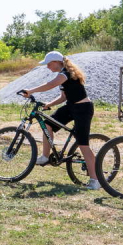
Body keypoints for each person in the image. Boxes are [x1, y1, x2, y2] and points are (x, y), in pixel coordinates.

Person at [18, 50, 99, 190]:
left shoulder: (65, 74)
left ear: (56, 62)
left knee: (83, 144)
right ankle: (45, 156)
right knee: (47, 124)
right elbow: (63, 98)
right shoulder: (62, 75)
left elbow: (50, 85)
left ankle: (95, 180)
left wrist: (30, 91)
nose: (47, 67)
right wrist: (48, 104)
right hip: (70, 107)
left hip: (83, 109)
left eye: (48, 64)